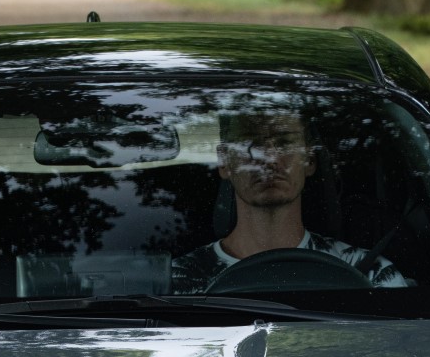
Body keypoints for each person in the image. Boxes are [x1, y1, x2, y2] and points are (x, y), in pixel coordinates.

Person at [173, 107, 407, 292]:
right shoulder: (176, 282)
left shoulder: (371, 276)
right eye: (248, 142)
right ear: (224, 162)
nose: (270, 159)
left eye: (284, 142)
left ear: (310, 160)